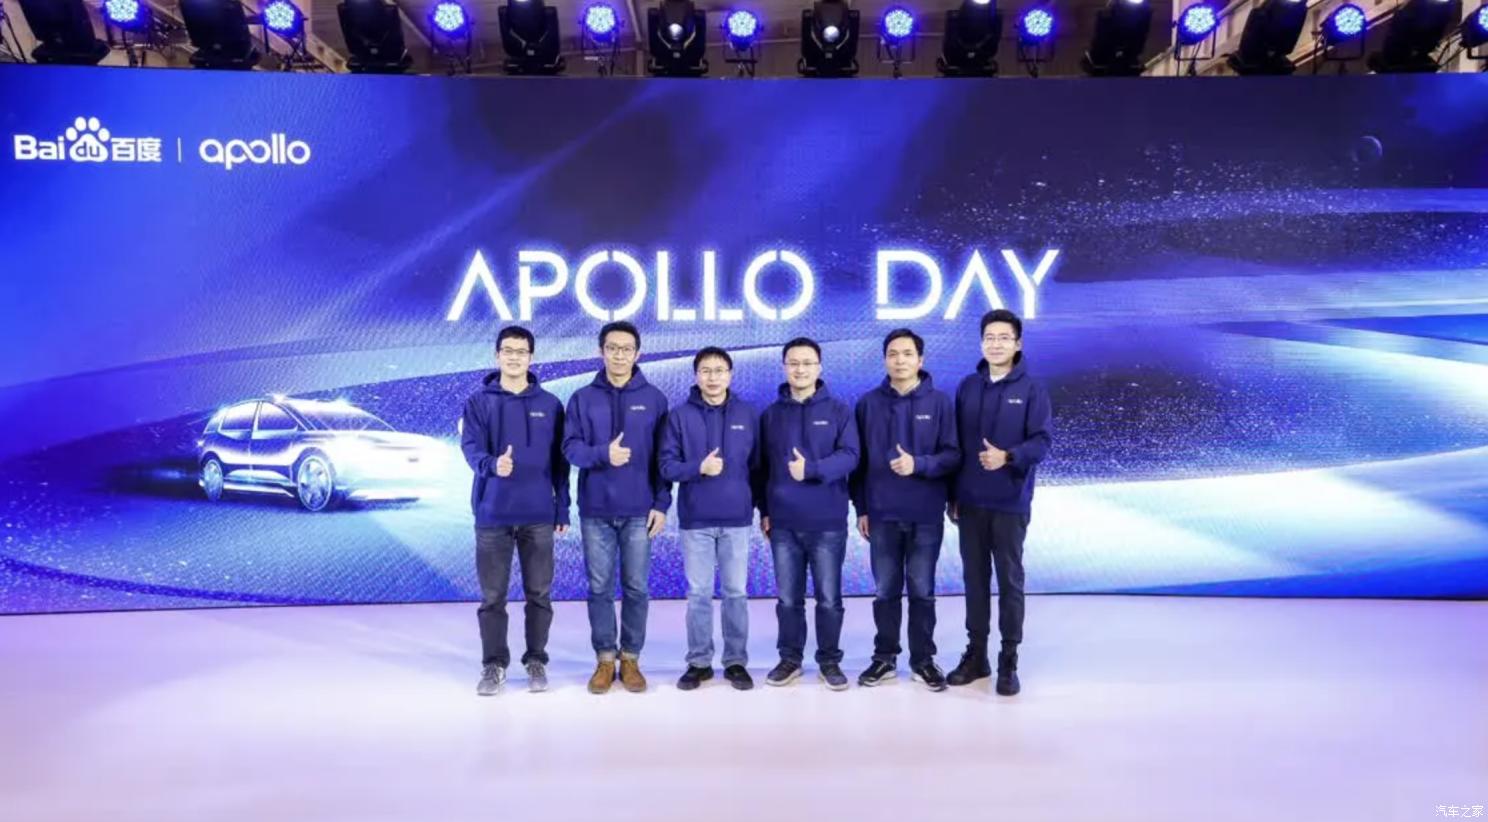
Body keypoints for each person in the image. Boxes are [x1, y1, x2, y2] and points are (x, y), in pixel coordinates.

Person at [562, 321, 672, 695]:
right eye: (612, 348)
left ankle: (631, 658)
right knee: (599, 588)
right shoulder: (582, 398)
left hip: (640, 510)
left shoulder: (654, 399)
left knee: (637, 587)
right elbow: (570, 448)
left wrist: (661, 503)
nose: (619, 355)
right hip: (596, 509)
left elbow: (663, 458)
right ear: (601, 351)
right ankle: (605, 659)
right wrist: (602, 454)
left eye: (626, 349)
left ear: (638, 353)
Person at [460, 326, 570, 696]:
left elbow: (560, 463)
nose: (514, 357)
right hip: (492, 514)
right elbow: (471, 448)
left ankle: (536, 660)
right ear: (497, 355)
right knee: (493, 597)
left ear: (531, 357)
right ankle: (493, 665)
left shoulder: (550, 404)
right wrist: (493, 464)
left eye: (521, 352)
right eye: (507, 351)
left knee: (539, 593)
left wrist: (562, 507)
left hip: (538, 514)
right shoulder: (479, 403)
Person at [948, 309, 1052, 696]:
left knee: (1009, 581)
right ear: (981, 343)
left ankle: (1009, 659)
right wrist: (953, 494)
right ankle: (977, 656)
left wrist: (1008, 456)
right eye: (989, 337)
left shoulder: (1032, 389)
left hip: (1010, 500)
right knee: (974, 581)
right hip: (970, 503)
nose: (996, 344)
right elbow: (955, 446)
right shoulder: (967, 387)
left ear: (1018, 343)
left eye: (1004, 337)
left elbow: (1042, 442)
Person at [850, 328, 959, 692]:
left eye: (908, 354)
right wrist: (862, 508)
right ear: (885, 360)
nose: (900, 360)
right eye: (893, 354)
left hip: (925, 513)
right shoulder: (868, 404)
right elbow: (859, 463)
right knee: (885, 591)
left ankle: (923, 659)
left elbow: (953, 456)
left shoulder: (940, 403)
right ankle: (884, 657)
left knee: (922, 590)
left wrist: (919, 464)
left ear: (920, 360)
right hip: (881, 514)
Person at [758, 337, 860, 691]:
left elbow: (851, 456)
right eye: (793, 363)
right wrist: (765, 509)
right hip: (783, 523)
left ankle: (829, 661)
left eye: (807, 363)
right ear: (784, 367)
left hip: (827, 522)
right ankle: (790, 659)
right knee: (789, 599)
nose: (800, 369)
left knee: (829, 599)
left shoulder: (839, 411)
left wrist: (813, 469)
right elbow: (762, 468)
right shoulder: (771, 415)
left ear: (819, 367)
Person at [659, 347, 761, 692]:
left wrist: (759, 508)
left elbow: (758, 467)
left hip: (737, 520)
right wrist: (698, 468)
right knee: (699, 593)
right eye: (706, 370)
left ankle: (735, 661)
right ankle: (699, 662)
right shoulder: (679, 416)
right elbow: (667, 466)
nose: (713, 377)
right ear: (696, 376)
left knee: (735, 593)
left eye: (719, 370)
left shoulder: (747, 414)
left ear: (730, 375)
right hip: (696, 520)